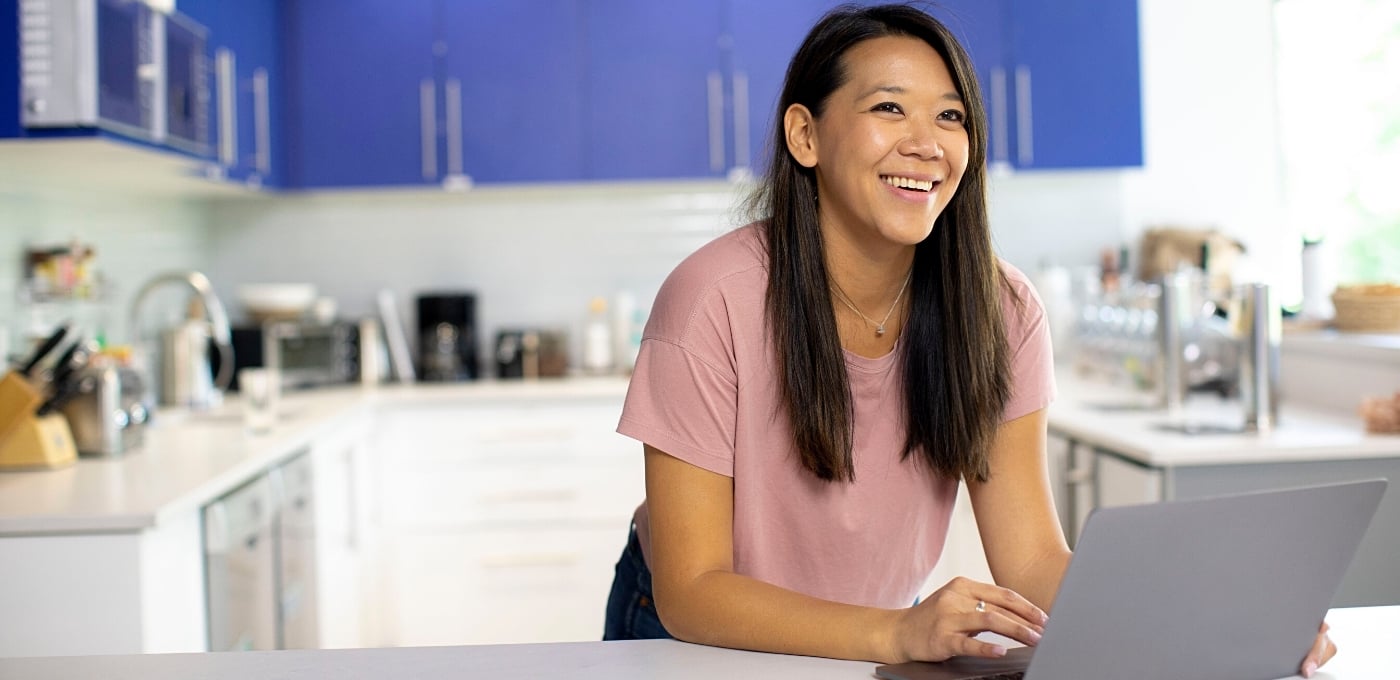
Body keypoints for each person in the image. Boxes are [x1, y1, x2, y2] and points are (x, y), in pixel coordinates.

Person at [602, 3, 1336, 675]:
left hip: (869, 637)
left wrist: (1220, 622)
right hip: (694, 635)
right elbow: (693, 590)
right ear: (805, 134)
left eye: (950, 117)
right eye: (889, 108)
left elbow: (1032, 560)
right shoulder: (711, 300)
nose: (926, 144)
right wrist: (897, 633)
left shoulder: (1000, 310)